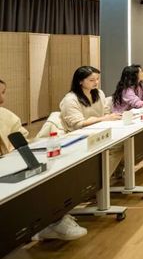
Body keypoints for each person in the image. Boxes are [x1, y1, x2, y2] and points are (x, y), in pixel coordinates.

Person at [0, 78, 88, 241]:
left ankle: (52, 221)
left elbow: (23, 141)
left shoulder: (6, 116)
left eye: (3, 93)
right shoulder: (70, 99)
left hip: (10, 168)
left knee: (47, 174)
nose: (2, 99)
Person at [59, 66, 122, 132]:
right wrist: (102, 119)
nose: (96, 82)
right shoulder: (70, 99)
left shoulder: (99, 93)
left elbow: (106, 112)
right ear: (80, 81)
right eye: (92, 80)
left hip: (99, 130)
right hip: (79, 133)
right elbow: (78, 124)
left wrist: (109, 117)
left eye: (97, 79)